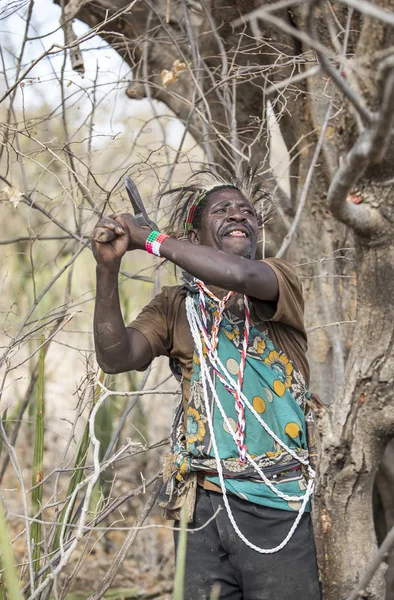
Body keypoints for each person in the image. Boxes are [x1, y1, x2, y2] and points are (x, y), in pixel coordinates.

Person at [92, 171, 321, 600]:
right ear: (195, 234)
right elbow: (115, 356)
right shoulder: (175, 307)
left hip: (278, 502)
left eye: (246, 211)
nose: (238, 214)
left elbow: (242, 276)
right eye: (222, 210)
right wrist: (108, 269)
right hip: (199, 505)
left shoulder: (275, 278)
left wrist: (153, 241)